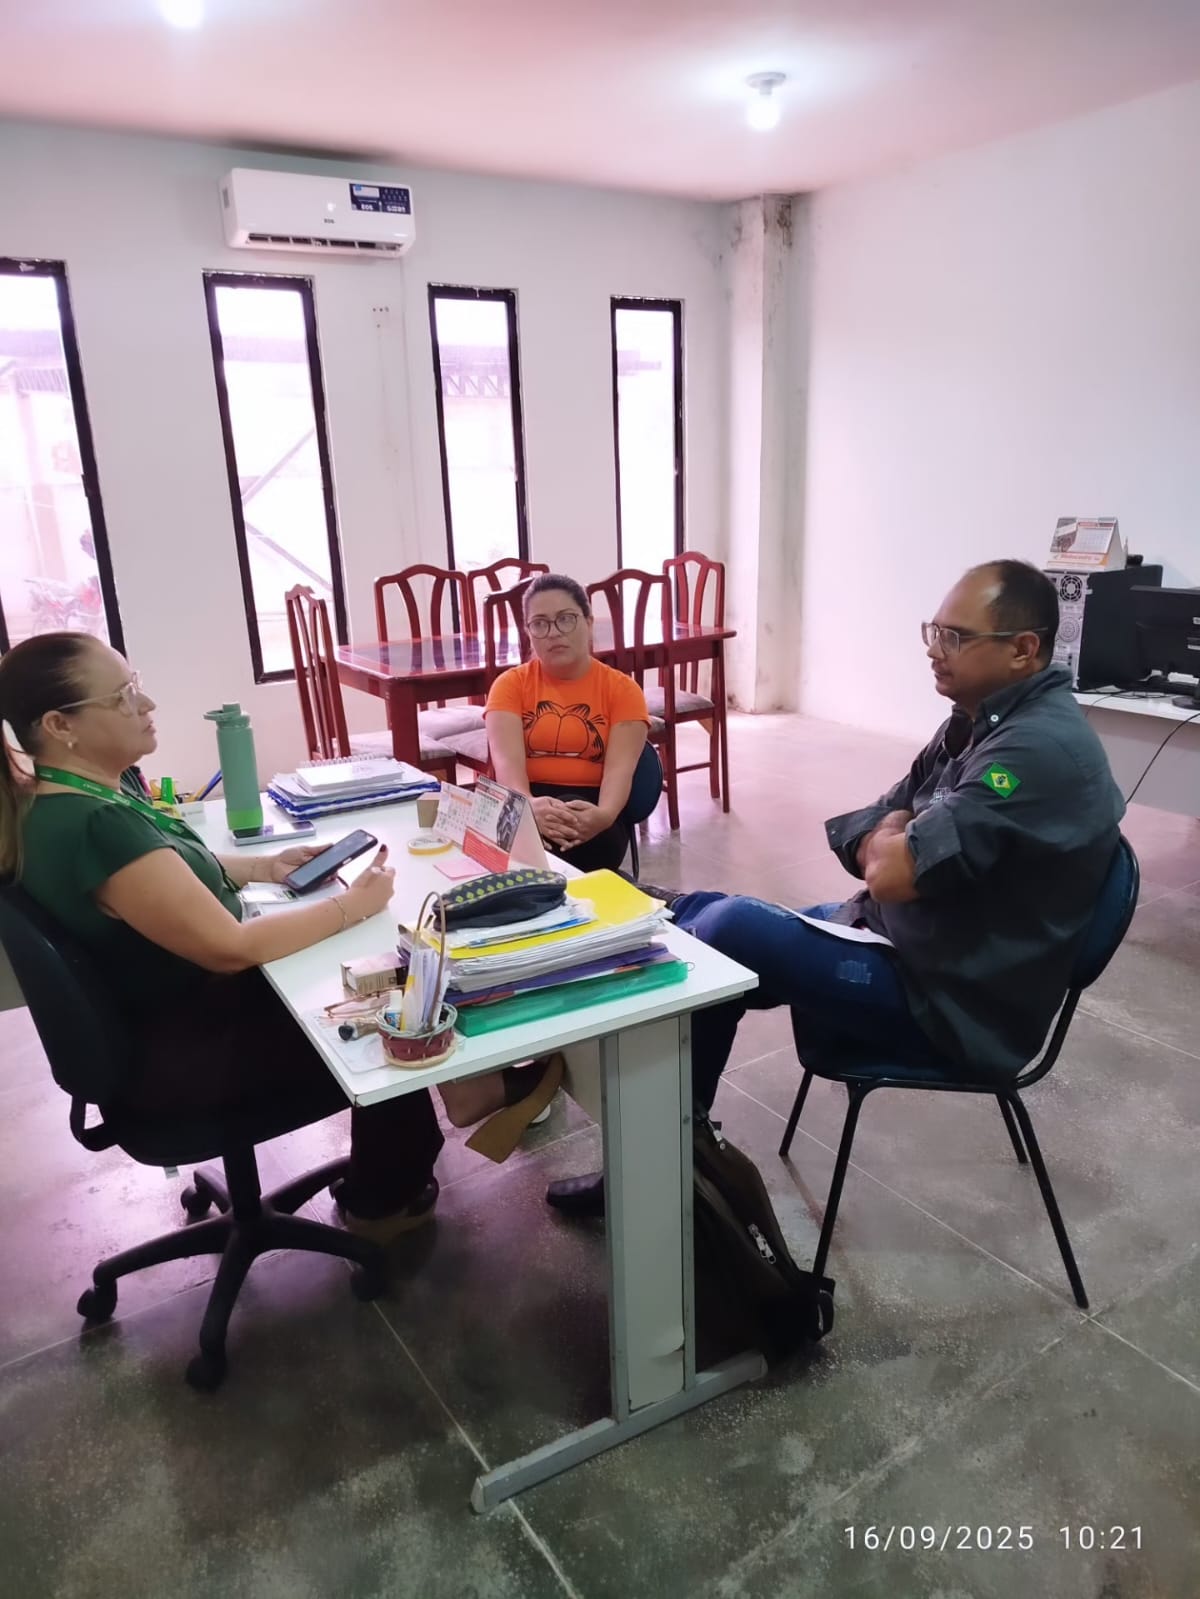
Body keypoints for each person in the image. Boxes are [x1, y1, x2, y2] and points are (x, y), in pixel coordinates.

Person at [547, 559, 1126, 1215]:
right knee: (702, 938)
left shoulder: (1034, 752)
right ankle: (670, 1156)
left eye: (956, 637)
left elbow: (889, 870)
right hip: (903, 936)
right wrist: (895, 836)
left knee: (724, 933)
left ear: (1023, 649)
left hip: (950, 1001)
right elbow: (872, 822)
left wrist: (893, 843)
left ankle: (661, 1162)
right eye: (934, 631)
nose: (934, 650)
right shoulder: (976, 720)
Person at [0, 633, 548, 1242]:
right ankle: (387, 1200)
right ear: (60, 725)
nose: (146, 704)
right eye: (123, 696)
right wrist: (350, 905)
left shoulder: (55, 801)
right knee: (376, 983)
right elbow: (229, 949)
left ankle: (448, 1104)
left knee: (361, 963)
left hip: (156, 1024)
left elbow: (160, 874)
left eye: (137, 686)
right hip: (186, 1055)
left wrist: (264, 866)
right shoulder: (97, 823)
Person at [485, 574, 650, 872]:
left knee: (563, 821)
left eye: (566, 619)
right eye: (540, 623)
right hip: (525, 806)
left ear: (589, 623)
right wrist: (529, 807)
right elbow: (506, 765)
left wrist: (604, 814)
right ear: (528, 632)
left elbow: (620, 771)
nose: (553, 632)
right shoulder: (509, 685)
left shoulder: (622, 690)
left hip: (594, 815)